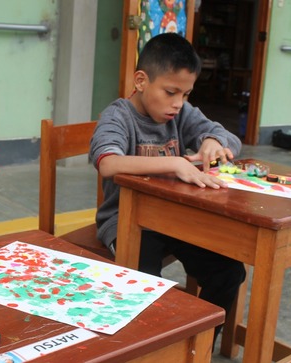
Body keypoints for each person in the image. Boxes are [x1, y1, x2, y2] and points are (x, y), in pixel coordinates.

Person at [89, 32, 245, 340]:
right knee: (150, 292)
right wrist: (176, 163)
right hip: (127, 222)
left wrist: (214, 141)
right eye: (171, 92)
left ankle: (198, 348)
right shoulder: (118, 117)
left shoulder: (182, 113)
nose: (178, 104)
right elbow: (108, 163)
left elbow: (228, 137)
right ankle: (153, 350)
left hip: (174, 218)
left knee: (229, 272)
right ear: (141, 80)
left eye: (186, 95)